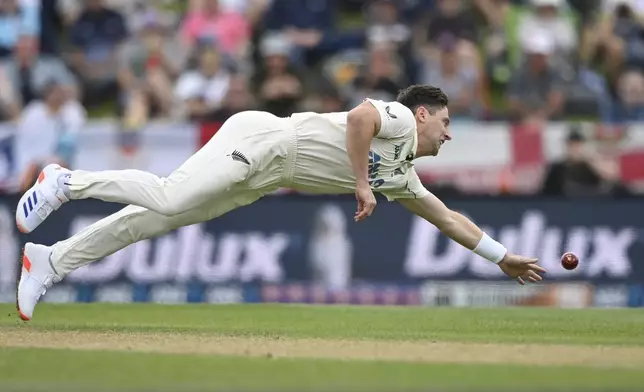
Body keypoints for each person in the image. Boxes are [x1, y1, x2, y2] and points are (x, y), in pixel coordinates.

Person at [15, 85, 546, 321]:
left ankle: (51, 260)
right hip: (268, 141)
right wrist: (362, 183)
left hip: (265, 178)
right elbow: (362, 117)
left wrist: (502, 257)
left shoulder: (404, 176)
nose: (449, 135)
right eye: (446, 122)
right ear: (425, 114)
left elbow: (449, 218)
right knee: (170, 194)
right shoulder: (403, 119)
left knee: (152, 221)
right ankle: (66, 181)